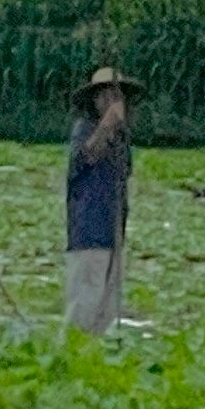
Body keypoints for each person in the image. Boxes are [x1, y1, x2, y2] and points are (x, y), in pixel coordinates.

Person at [62, 64, 138, 335]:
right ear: (95, 100)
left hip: (113, 229)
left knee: (107, 306)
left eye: (116, 97)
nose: (112, 103)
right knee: (85, 301)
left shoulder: (121, 139)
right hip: (88, 229)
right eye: (105, 97)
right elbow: (87, 156)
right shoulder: (84, 129)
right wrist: (108, 124)